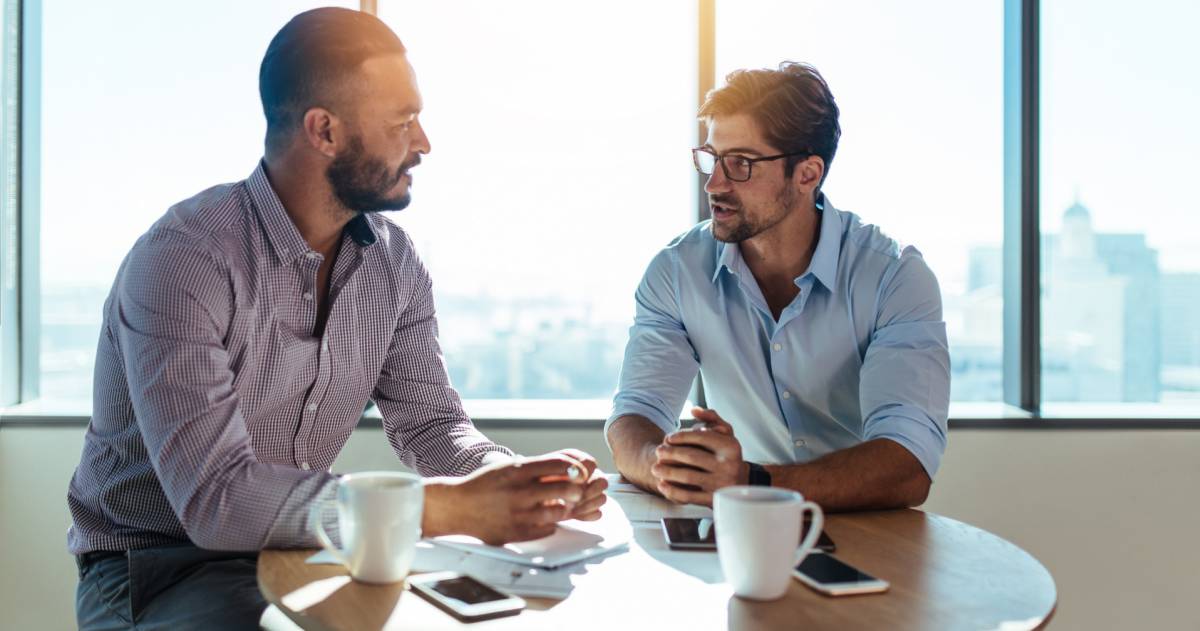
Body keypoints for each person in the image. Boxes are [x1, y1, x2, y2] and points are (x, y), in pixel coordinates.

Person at [67, 8, 606, 629]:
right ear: (323, 130)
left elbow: (432, 426)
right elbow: (216, 502)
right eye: (404, 122)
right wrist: (453, 508)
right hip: (159, 566)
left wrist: (514, 481)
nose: (425, 143)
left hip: (305, 546)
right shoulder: (185, 258)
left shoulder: (394, 263)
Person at [606, 62, 949, 512]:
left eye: (741, 164)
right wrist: (671, 468)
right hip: (741, 525)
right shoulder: (676, 271)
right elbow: (638, 410)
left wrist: (748, 480)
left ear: (807, 174)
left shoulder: (894, 276)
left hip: (866, 527)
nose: (714, 183)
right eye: (711, 158)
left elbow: (908, 462)